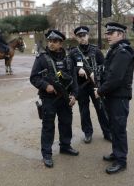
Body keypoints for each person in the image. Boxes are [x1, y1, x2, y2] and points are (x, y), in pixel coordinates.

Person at [30, 29, 79, 168]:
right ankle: (47, 153)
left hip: (65, 98)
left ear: (61, 43)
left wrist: (75, 95)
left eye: (55, 41)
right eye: (50, 41)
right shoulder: (42, 58)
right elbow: (33, 77)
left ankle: (65, 146)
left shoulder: (68, 59)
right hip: (49, 99)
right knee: (48, 126)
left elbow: (74, 79)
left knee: (66, 123)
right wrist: (45, 86)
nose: (51, 43)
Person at [94, 22, 134, 174]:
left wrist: (100, 91)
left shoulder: (123, 52)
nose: (107, 36)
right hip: (112, 96)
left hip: (119, 97)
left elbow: (116, 78)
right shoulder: (115, 50)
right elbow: (108, 71)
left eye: (110, 33)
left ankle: (121, 161)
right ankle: (116, 152)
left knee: (119, 129)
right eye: (107, 33)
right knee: (113, 126)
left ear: (120, 34)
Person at [69, 26, 112, 144]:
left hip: (95, 85)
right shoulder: (74, 52)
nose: (82, 38)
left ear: (88, 35)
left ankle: (107, 132)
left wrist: (95, 72)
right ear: (77, 38)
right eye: (80, 36)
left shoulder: (96, 50)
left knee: (101, 109)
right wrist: (78, 69)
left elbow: (104, 66)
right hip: (82, 87)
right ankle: (87, 133)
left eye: (84, 35)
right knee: (84, 111)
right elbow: (70, 67)